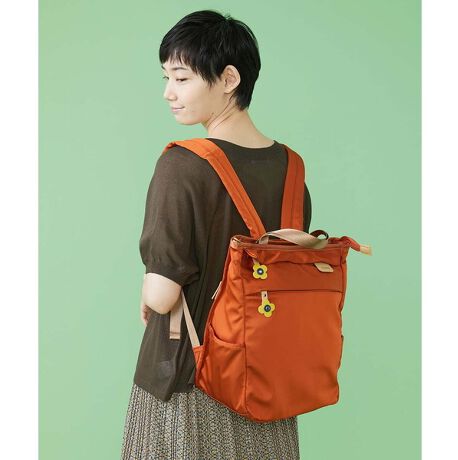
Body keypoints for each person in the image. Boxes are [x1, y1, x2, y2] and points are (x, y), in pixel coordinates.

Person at [120, 9, 312, 459]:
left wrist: (150, 287)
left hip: (189, 384)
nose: (168, 92)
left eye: (181, 78)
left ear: (228, 79)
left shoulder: (182, 165)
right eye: (166, 78)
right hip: (268, 387)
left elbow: (163, 296)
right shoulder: (292, 170)